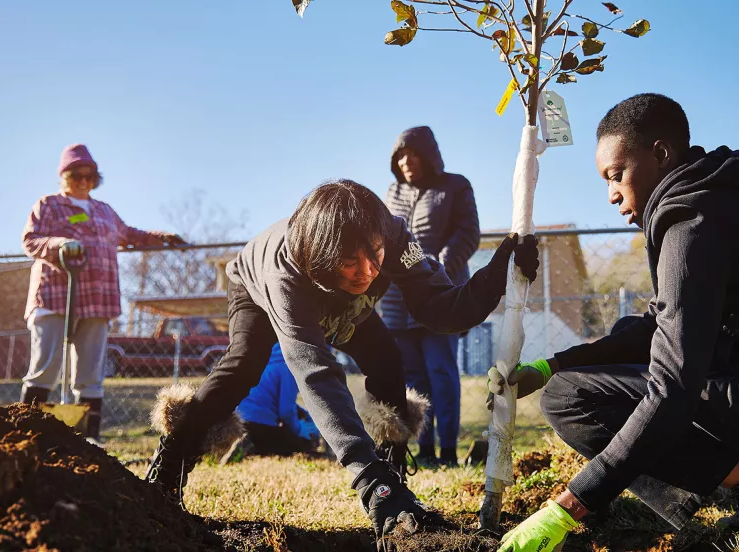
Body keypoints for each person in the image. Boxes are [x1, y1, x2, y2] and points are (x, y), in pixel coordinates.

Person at [489, 94, 739, 552]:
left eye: (616, 175)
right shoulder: (720, 199)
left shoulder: (693, 223)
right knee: (599, 355)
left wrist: (568, 506)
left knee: (572, 399)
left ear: (661, 154)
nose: (611, 194)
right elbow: (660, 325)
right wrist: (551, 364)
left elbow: (673, 388)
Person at [144, 179, 539, 551]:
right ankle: (173, 458)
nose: (368, 271)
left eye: (374, 255)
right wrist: (366, 480)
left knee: (386, 357)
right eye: (351, 260)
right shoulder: (287, 274)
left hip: (340, 299)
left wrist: (496, 276)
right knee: (246, 364)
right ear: (322, 256)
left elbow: (441, 309)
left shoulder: (396, 237)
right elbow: (316, 374)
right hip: (257, 288)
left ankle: (392, 472)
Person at [20, 144, 186, 441]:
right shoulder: (48, 205)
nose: (83, 181)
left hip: (98, 300)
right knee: (45, 367)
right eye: (76, 175)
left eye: (89, 175)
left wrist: (162, 237)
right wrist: (59, 244)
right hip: (57, 296)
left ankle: (88, 442)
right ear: (64, 176)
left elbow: (131, 235)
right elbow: (31, 240)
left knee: (90, 376)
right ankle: (25, 436)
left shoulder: (104, 211)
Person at [381, 126, 480, 466]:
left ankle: (448, 451)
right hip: (398, 303)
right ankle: (423, 450)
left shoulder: (454, 186)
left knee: (441, 372)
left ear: (428, 154)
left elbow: (469, 232)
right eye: (399, 156)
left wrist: (440, 265)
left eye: (412, 153)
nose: (406, 161)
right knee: (413, 378)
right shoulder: (392, 194)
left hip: (440, 295)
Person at [231, 343, 321, 459]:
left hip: (239, 422)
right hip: (261, 425)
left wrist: (303, 413)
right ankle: (252, 448)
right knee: (299, 444)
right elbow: (286, 411)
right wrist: (299, 430)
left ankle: (246, 443)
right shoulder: (289, 367)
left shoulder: (264, 359)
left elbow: (269, 398)